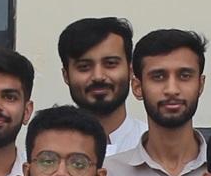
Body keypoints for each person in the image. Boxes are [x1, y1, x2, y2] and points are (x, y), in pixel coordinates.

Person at [104, 29, 211, 176]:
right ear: (137, 87)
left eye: (184, 76)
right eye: (158, 77)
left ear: (200, 85)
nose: (172, 89)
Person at [59, 15, 147, 156]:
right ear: (66, 75)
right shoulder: (48, 150)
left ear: (131, 71)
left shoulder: (150, 146)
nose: (98, 76)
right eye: (84, 67)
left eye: (110, 64)